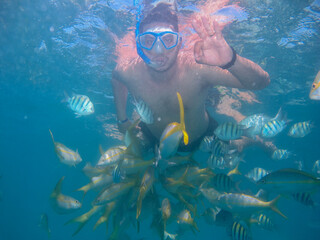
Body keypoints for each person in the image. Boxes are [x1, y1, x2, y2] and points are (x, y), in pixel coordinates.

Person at [111, 3, 270, 153]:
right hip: (154, 137)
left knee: (235, 146)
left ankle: (258, 141)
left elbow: (261, 82)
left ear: (179, 42)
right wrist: (122, 119)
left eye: (168, 39)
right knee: (129, 157)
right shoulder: (128, 71)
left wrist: (230, 60)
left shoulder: (197, 68)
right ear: (139, 45)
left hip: (202, 137)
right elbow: (116, 78)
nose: (158, 51)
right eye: (148, 40)